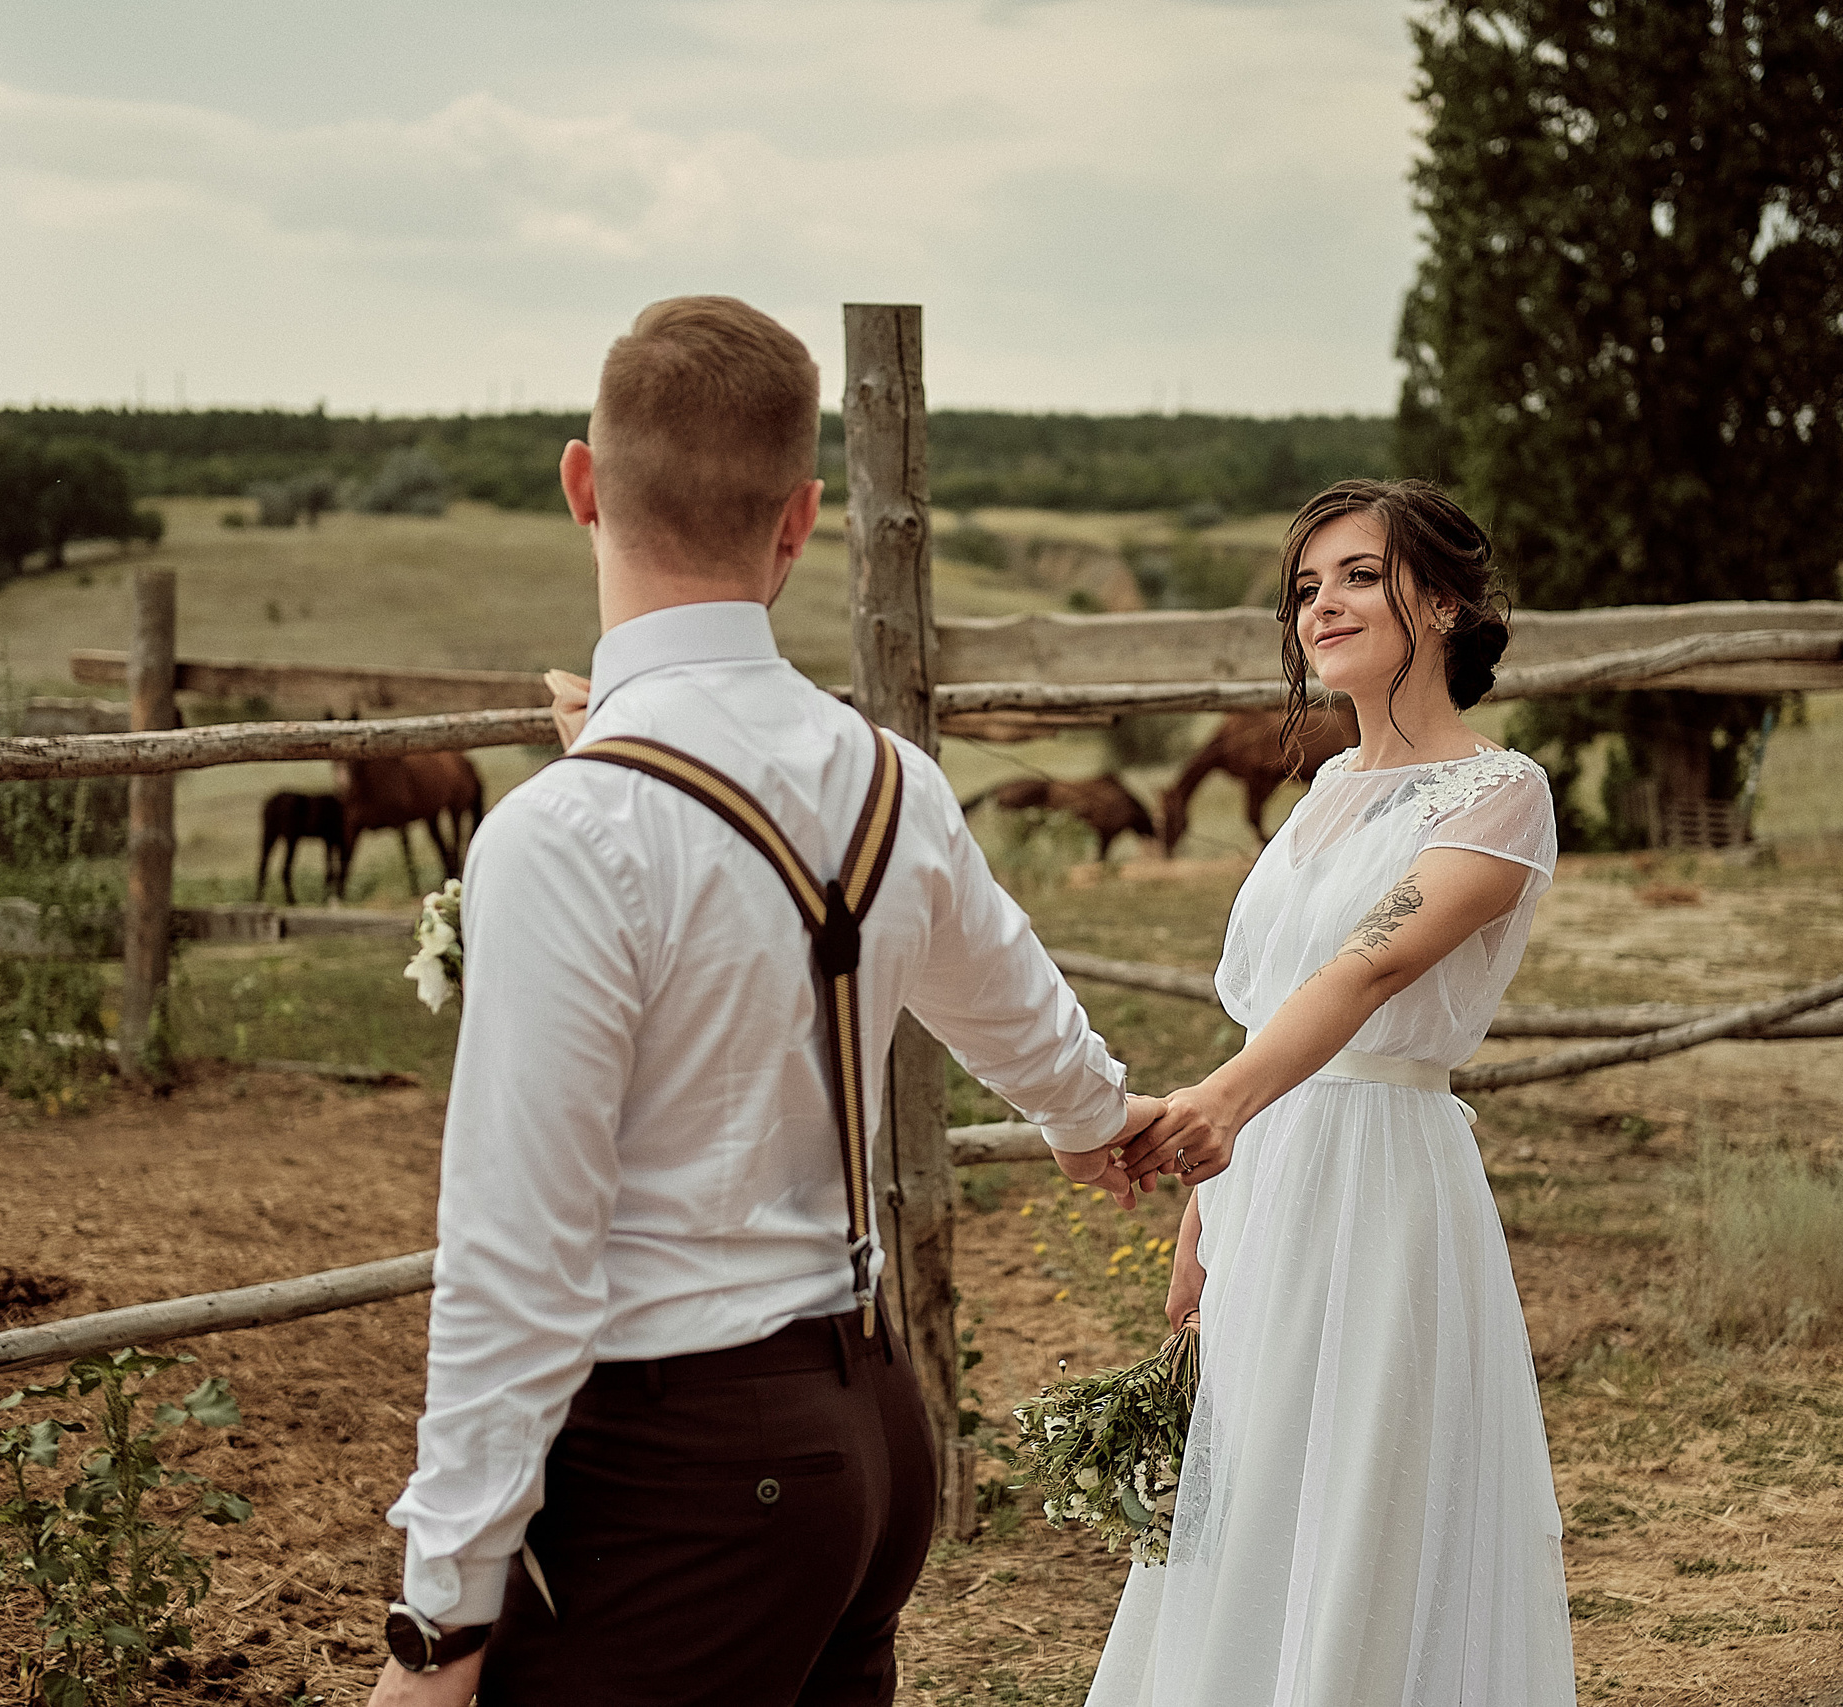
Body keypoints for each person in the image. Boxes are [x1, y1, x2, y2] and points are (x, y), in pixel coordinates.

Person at [370, 296, 1161, 1707]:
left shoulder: (571, 833)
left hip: (680, 1474)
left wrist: (438, 1621)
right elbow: (1019, 1009)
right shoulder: (890, 779)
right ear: (800, 521)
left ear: (581, 484)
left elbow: (516, 1258)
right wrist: (1097, 1120)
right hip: (868, 1436)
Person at [1094, 480, 1578, 1706]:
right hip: (1271, 1175)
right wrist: (1211, 1206)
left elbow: (1369, 969)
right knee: (1254, 1489)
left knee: (1363, 1480)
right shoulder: (1317, 796)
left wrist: (1216, 1105)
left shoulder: (1498, 794)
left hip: (1379, 1173)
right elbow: (1267, 1001)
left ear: (1448, 600)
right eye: (1306, 587)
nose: (1324, 605)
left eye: (1360, 575)